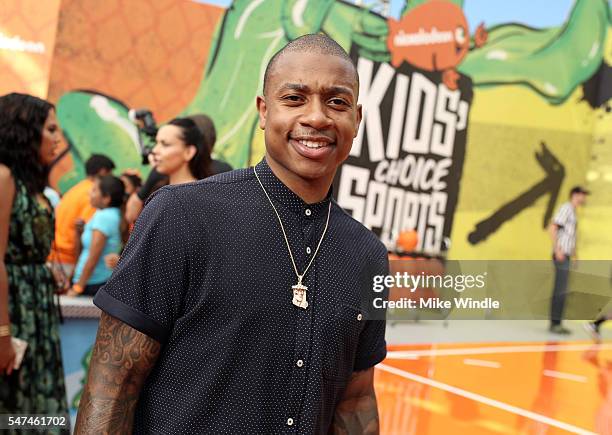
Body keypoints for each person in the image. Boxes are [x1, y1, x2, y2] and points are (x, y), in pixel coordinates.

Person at [75, 34, 388, 434]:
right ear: (263, 110)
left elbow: (357, 398)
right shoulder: (180, 214)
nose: (317, 118)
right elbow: (113, 385)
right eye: (294, 99)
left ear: (356, 119)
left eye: (337, 102)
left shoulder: (369, 256)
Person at [0, 93, 68, 417]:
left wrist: (45, 271)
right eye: (51, 129)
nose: (58, 139)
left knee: (33, 406)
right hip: (11, 312)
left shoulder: (32, 185)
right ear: (24, 131)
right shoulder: (3, 177)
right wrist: (2, 333)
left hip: (35, 311)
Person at [125, 114, 225, 224]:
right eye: (156, 143)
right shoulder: (165, 191)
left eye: (165, 144)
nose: (154, 150)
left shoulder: (181, 199)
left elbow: (132, 215)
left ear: (189, 152)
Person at [50, 154, 115, 279]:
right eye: (110, 173)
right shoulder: (93, 195)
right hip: (68, 261)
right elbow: (86, 234)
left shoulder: (76, 189)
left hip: (56, 256)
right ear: (103, 171)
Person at [68, 175, 125, 297]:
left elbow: (94, 256)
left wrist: (78, 287)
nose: (90, 192)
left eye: (94, 190)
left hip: (93, 283)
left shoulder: (104, 217)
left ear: (106, 198)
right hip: (93, 282)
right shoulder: (107, 214)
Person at [548, 186, 589, 334]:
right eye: (582, 194)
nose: (584, 198)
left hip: (567, 254)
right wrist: (558, 249)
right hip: (561, 254)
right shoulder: (566, 208)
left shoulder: (573, 211)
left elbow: (570, 236)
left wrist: (575, 255)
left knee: (562, 290)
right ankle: (555, 324)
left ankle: (557, 322)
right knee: (560, 289)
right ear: (575, 194)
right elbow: (552, 227)